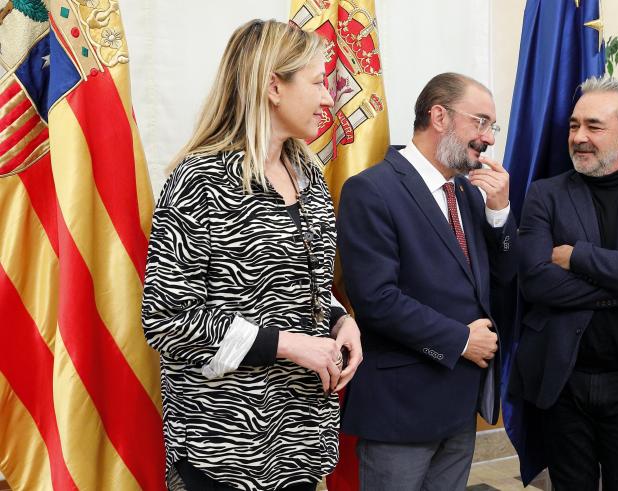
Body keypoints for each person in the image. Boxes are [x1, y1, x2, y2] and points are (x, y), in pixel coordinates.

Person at [142, 19, 363, 491]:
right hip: (225, 450)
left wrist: (342, 322)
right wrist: (287, 344)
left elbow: (308, 285)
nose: (329, 98)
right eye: (319, 81)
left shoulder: (309, 176)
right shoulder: (199, 181)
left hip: (301, 442)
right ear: (272, 87)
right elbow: (165, 320)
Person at [337, 72, 516, 490]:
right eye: (481, 122)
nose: (489, 138)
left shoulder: (471, 195)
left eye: (493, 126)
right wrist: (460, 340)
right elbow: (376, 299)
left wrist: (500, 213)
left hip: (459, 407)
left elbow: (503, 282)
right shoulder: (372, 190)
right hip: (401, 411)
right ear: (439, 116)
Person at [511, 76, 618, 491]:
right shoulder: (544, 195)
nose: (579, 137)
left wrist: (575, 256)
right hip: (562, 379)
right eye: (574, 126)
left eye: (593, 126)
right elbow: (536, 282)